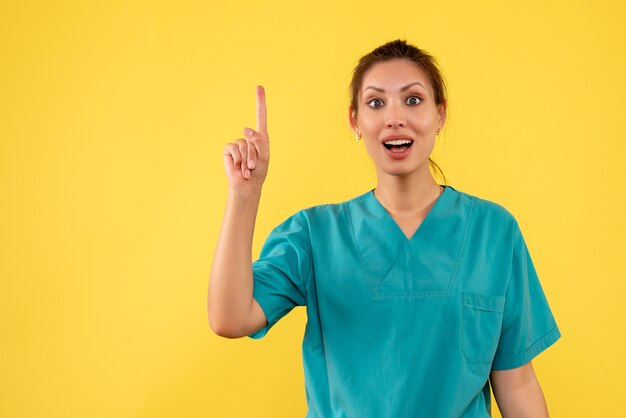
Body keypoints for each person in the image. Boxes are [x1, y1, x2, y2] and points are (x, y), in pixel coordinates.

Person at [208, 39, 561, 418]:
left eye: (413, 100)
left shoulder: (493, 232)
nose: (395, 117)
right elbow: (230, 318)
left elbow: (517, 382)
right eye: (376, 103)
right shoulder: (315, 235)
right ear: (355, 121)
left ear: (440, 115)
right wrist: (245, 195)